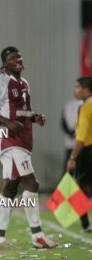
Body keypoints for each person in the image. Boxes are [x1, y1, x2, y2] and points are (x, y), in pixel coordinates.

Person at [0, 46, 58, 250]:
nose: (18, 59)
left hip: (23, 139)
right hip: (8, 140)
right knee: (32, 183)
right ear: (5, 63)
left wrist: (33, 116)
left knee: (10, 187)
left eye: (19, 56)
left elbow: (20, 111)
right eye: (13, 57)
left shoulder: (24, 83)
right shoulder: (0, 82)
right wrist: (6, 123)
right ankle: (38, 236)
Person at [67, 77, 92, 233]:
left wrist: (73, 157)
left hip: (87, 152)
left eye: (77, 87)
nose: (75, 90)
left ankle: (85, 225)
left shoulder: (86, 107)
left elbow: (81, 136)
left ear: (86, 89)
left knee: (76, 188)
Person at [61, 90, 82, 173]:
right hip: (71, 143)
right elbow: (63, 122)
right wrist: (71, 133)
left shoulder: (87, 104)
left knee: (80, 170)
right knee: (68, 168)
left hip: (82, 143)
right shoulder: (68, 105)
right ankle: (67, 185)